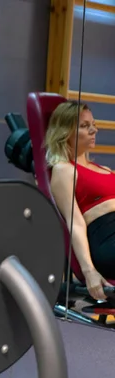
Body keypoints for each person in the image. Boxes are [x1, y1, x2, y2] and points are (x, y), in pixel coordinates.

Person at [45, 100, 115, 301]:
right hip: (106, 239)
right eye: (85, 126)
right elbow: (74, 223)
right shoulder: (64, 170)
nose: (93, 130)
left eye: (93, 124)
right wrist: (88, 271)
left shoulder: (104, 169)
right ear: (65, 132)